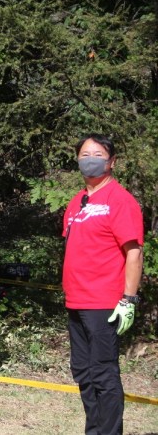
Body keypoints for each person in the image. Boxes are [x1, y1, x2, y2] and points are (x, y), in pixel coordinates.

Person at [62, 134, 144, 435]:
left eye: (98, 155)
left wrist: (129, 299)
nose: (90, 160)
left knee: (103, 374)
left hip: (103, 303)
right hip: (76, 300)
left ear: (112, 162)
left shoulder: (120, 200)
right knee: (83, 373)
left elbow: (134, 252)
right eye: (85, 154)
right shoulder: (76, 202)